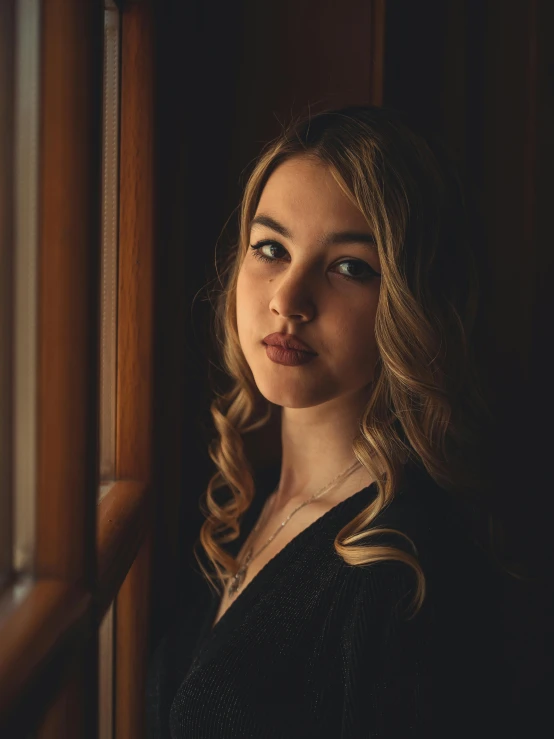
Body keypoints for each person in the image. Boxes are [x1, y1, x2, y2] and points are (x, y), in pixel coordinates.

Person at [146, 105, 516, 738]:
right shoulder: (240, 509)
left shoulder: (408, 577)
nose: (287, 299)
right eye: (270, 249)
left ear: (411, 300)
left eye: (350, 266)